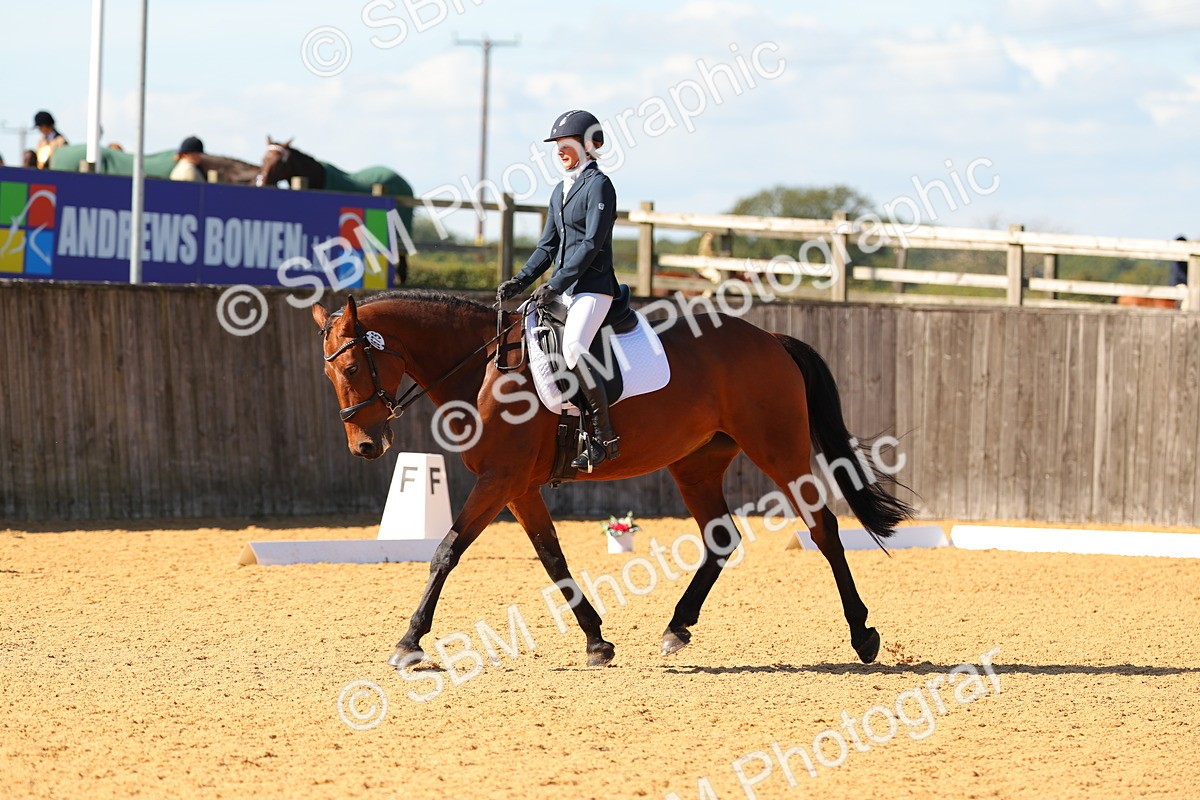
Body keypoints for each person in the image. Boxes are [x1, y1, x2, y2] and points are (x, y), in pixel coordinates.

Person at [499, 109, 621, 469]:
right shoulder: (560, 190)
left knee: (573, 346)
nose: (559, 152)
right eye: (557, 147)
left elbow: (591, 243)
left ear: (588, 146)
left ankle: (603, 437)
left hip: (593, 288)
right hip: (564, 289)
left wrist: (555, 284)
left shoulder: (599, 185)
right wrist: (521, 279)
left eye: (565, 145)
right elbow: (547, 245)